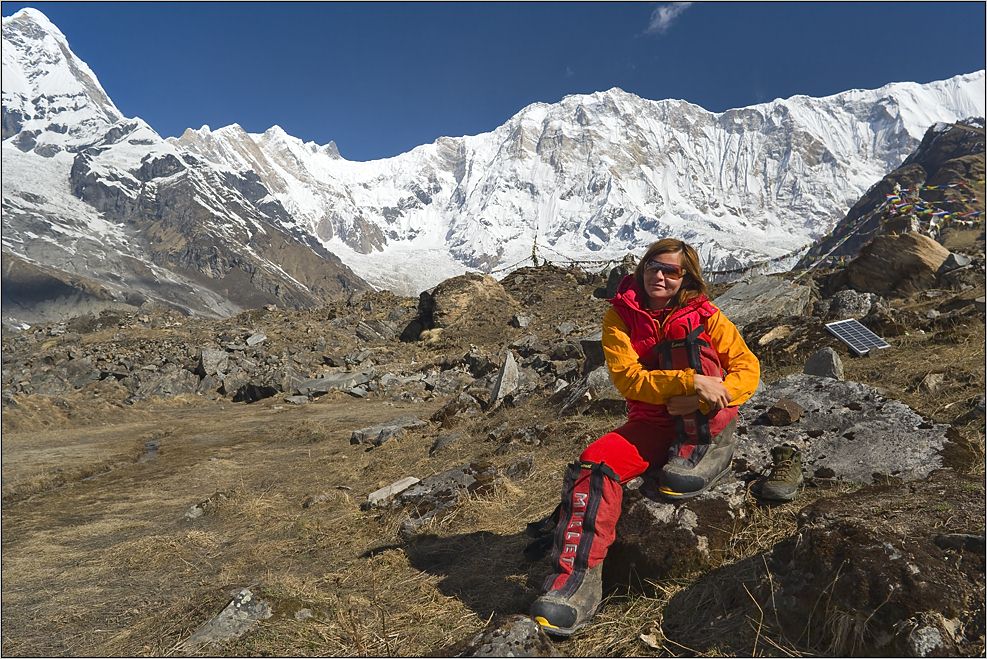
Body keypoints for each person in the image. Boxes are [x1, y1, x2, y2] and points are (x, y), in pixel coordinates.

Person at [529, 238, 760, 637]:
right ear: (642, 268)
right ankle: (574, 586)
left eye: (671, 270)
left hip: (707, 415)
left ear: (685, 277)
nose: (660, 275)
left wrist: (703, 401)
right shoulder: (620, 317)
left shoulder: (706, 314)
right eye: (654, 266)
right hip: (651, 424)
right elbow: (628, 379)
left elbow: (747, 368)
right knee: (595, 462)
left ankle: (707, 446)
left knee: (691, 344)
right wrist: (687, 384)